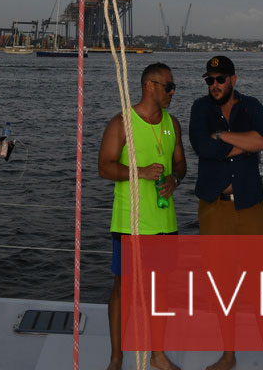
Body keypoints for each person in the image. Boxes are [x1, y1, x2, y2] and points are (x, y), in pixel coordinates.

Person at [189, 55, 263, 370]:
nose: (214, 85)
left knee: (261, 284)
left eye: (220, 79)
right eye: (210, 80)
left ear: (233, 79)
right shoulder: (200, 109)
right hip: (214, 208)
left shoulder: (251, 106)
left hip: (250, 206)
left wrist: (222, 136)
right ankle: (229, 354)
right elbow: (203, 148)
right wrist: (245, 144)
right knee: (221, 285)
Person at [98, 61, 186, 370]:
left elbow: (180, 164)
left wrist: (175, 179)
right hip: (130, 223)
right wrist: (140, 172)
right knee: (123, 290)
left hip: (164, 223)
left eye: (173, 87)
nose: (172, 92)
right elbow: (104, 167)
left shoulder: (173, 124)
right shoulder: (122, 123)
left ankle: (157, 355)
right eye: (168, 87)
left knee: (161, 292)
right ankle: (117, 356)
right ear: (150, 86)